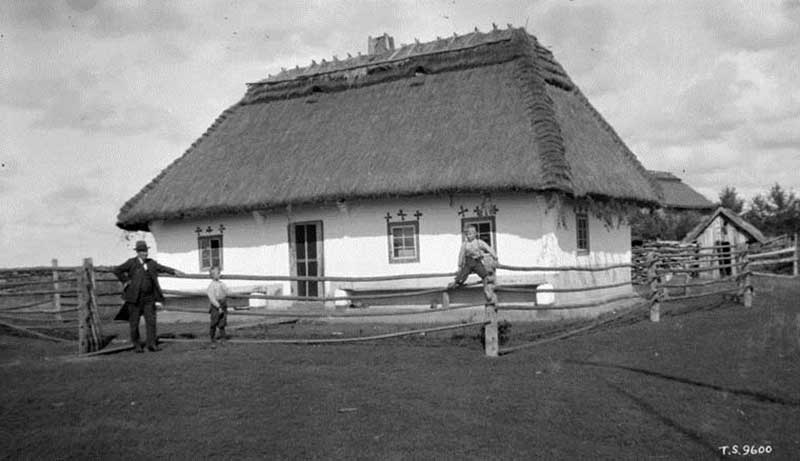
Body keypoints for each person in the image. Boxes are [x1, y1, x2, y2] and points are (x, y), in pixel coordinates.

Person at [113, 240, 183, 353]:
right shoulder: (131, 263)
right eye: (142, 251)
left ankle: (152, 344)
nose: (145, 253)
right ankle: (137, 345)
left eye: (146, 251)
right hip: (134, 299)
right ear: (138, 253)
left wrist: (174, 271)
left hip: (149, 298)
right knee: (134, 323)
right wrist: (126, 281)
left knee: (151, 321)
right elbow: (117, 270)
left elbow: (163, 268)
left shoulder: (151, 263)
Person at [448, 225, 498, 304]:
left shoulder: (479, 242)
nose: (469, 236)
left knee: (484, 275)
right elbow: (461, 255)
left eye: (470, 234)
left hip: (477, 261)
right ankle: (455, 283)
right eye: (467, 234)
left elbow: (488, 248)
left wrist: (494, 256)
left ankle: (486, 290)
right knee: (462, 275)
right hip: (468, 262)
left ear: (475, 234)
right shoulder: (465, 244)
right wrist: (459, 265)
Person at [207, 266, 230, 347]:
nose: (220, 274)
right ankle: (212, 340)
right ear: (213, 275)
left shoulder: (221, 283)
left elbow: (226, 290)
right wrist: (218, 306)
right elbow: (212, 298)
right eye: (218, 273)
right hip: (215, 306)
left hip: (223, 304)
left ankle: (223, 339)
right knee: (214, 322)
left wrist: (229, 293)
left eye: (219, 273)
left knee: (222, 322)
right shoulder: (211, 286)